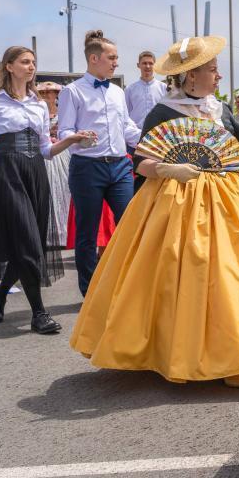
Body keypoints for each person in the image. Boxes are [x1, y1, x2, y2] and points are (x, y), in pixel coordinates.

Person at [70, 36, 239, 387]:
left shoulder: (218, 108)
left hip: (225, 202)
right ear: (191, 76)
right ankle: (175, 348)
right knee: (182, 269)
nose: (219, 76)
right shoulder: (164, 111)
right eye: (212, 70)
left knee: (231, 273)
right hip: (174, 202)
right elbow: (141, 160)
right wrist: (168, 170)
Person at [0, 47, 90, 333]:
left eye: (34, 62)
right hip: (6, 173)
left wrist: (72, 139)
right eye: (25, 62)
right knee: (27, 241)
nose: (31, 66)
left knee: (30, 244)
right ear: (9, 66)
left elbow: (47, 150)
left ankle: (0, 293)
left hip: (35, 171)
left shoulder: (39, 104)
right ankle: (39, 313)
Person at [58, 29, 141, 296]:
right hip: (87, 168)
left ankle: (127, 286)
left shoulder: (118, 91)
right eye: (112, 57)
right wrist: (77, 137)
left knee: (130, 225)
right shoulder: (72, 91)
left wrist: (152, 140)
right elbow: (63, 131)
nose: (116, 62)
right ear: (94, 59)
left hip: (120, 166)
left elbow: (127, 127)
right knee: (87, 232)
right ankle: (90, 292)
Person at [36, 82, 71, 248]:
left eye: (50, 92)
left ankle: (64, 233)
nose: (47, 95)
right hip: (44, 154)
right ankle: (46, 234)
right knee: (45, 190)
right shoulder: (38, 112)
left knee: (63, 189)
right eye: (43, 92)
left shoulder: (63, 113)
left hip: (62, 153)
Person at [124, 50, 167, 133]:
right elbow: (126, 115)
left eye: (151, 63)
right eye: (144, 63)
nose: (147, 66)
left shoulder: (164, 88)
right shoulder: (129, 89)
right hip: (136, 137)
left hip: (159, 136)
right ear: (138, 65)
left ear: (155, 65)